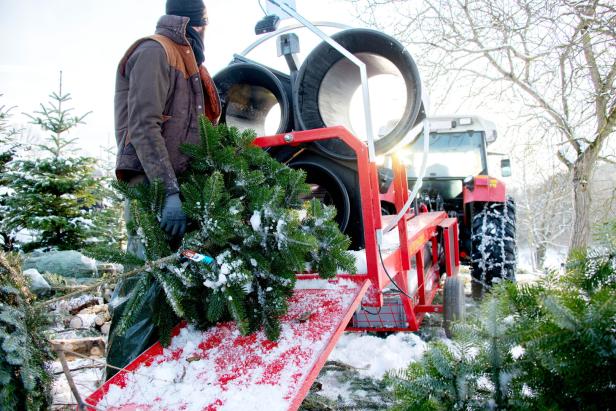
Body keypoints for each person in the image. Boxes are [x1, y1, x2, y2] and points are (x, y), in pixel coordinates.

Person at [107, 0, 221, 378]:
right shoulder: (155, 51)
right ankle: (118, 385)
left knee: (177, 284)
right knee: (141, 290)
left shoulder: (192, 64)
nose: (208, 30)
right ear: (193, 21)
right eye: (205, 23)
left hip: (182, 195)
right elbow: (143, 126)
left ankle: (157, 384)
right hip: (151, 192)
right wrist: (168, 192)